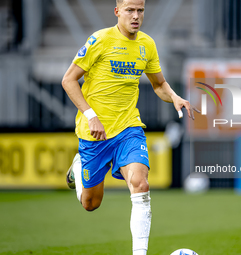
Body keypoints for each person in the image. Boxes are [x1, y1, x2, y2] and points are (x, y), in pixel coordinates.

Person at [61, 0, 198, 254]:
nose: (136, 16)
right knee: (91, 204)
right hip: (95, 134)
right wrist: (90, 114)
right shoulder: (99, 41)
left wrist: (175, 97)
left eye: (140, 11)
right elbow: (68, 80)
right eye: (130, 10)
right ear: (117, 12)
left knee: (140, 184)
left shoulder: (147, 44)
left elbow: (159, 84)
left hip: (128, 129)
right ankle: (79, 165)